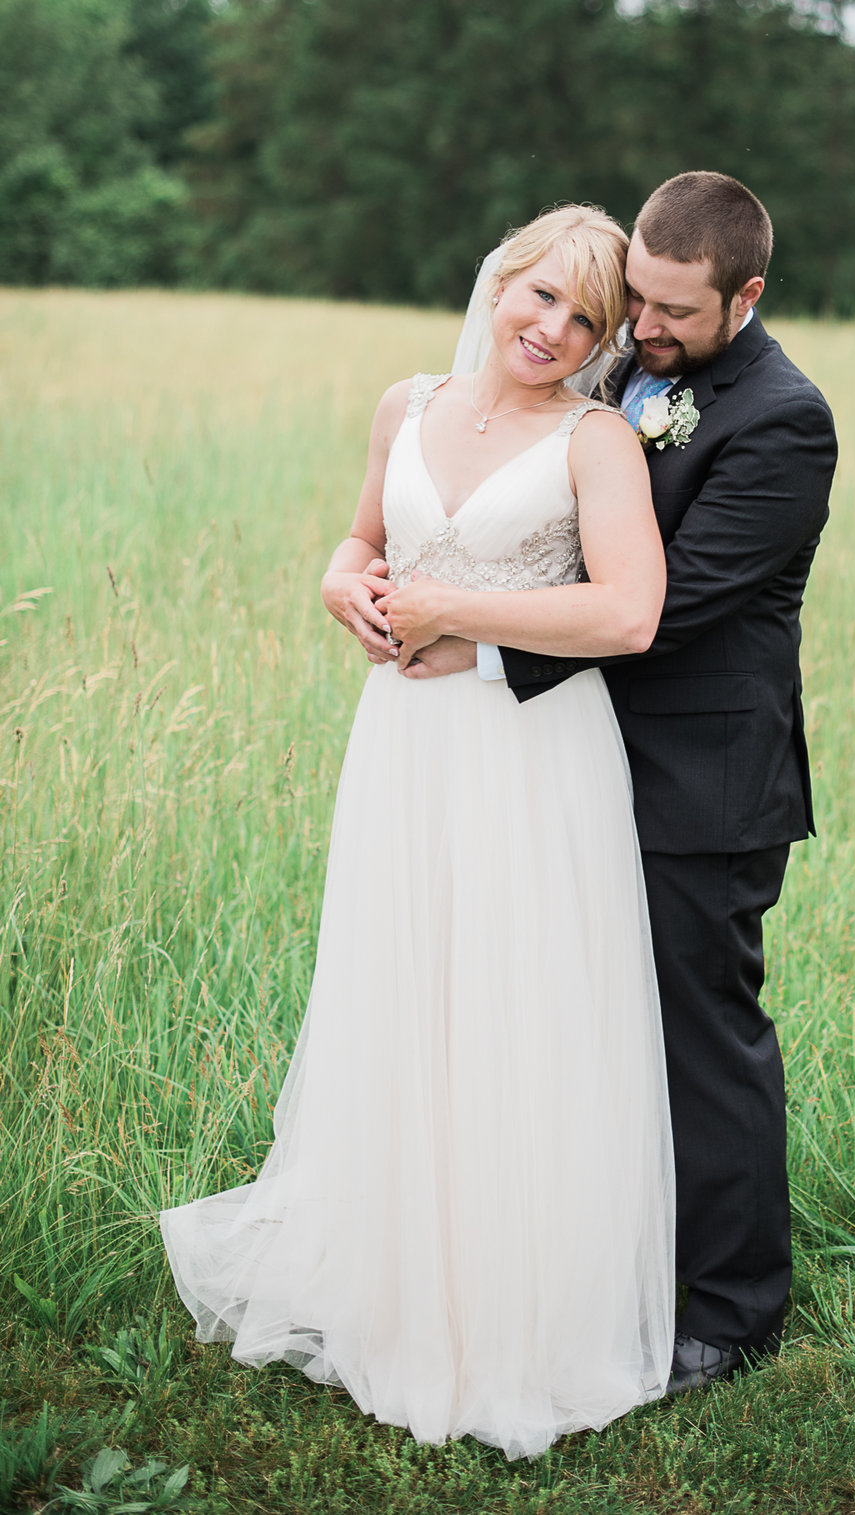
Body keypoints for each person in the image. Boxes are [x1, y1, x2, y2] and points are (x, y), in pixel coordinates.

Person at [161, 205, 676, 1460]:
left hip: (528, 758)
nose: (551, 329)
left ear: (608, 341)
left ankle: (510, 1312)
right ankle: (390, 1272)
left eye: (586, 319)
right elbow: (361, 540)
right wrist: (344, 581)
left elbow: (629, 615)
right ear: (497, 278)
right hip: (401, 750)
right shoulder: (407, 405)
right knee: (403, 989)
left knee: (514, 1003)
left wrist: (463, 610)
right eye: (539, 295)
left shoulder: (595, 442)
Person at [398, 170, 839, 1394]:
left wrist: (476, 642)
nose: (642, 329)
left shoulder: (783, 420)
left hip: (700, 777)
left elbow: (673, 602)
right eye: (632, 299)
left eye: (673, 313)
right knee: (579, 1023)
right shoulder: (625, 370)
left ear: (743, 297)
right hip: (558, 762)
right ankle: (595, 1260)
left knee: (700, 1035)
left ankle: (734, 1309)